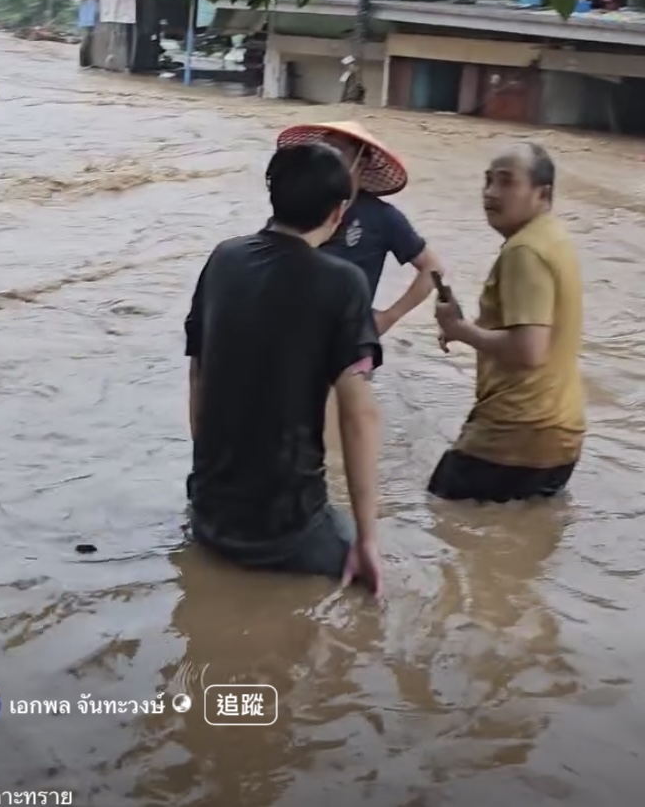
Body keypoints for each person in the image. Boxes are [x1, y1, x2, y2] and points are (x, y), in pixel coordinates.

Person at [185, 141, 383, 594]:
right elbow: (359, 417)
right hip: (288, 531)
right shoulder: (344, 283)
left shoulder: (223, 259)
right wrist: (368, 539)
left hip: (209, 516)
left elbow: (198, 372)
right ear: (338, 213)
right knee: (378, 593)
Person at [430, 142, 585, 503]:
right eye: (487, 181)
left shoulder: (524, 251)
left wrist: (459, 330)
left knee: (440, 520)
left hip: (515, 430)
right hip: (561, 432)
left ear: (542, 193)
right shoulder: (553, 237)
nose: (490, 193)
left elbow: (529, 349)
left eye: (505, 182)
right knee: (517, 541)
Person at [275, 121, 445, 337]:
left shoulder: (383, 217)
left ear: (361, 163)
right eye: (324, 149)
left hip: (350, 338)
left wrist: (388, 317)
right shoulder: (301, 203)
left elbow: (433, 268)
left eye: (337, 151)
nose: (327, 158)